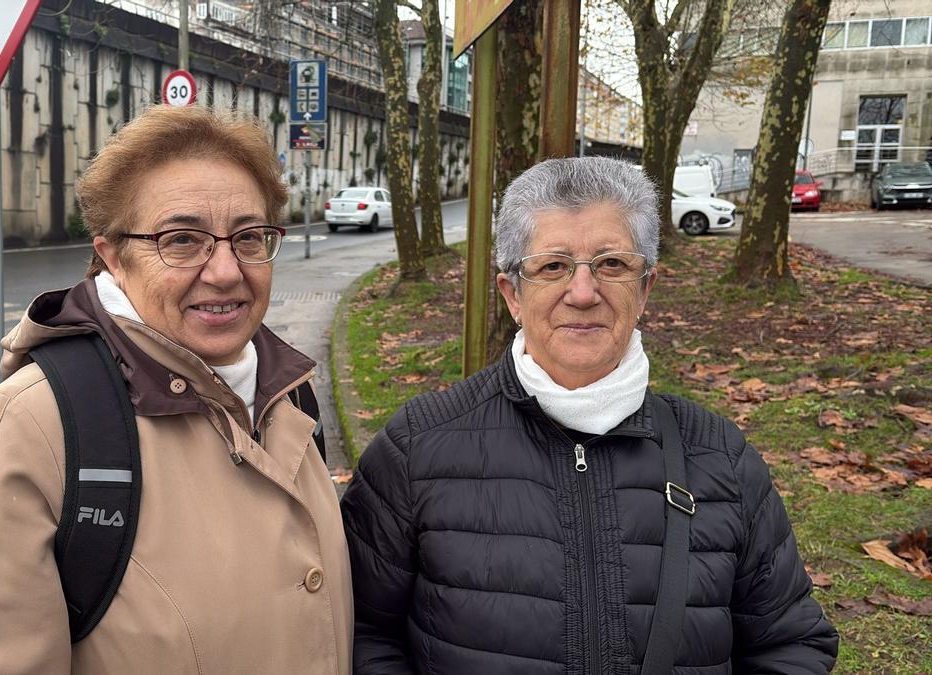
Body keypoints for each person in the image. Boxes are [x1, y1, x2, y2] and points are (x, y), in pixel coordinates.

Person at [0, 105, 351, 673]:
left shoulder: (288, 395)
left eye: (249, 237)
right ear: (112, 257)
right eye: (182, 240)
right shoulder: (25, 432)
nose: (227, 271)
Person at [340, 157, 838, 673]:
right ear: (512, 293)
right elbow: (361, 633)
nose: (582, 293)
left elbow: (792, 643)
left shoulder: (722, 459)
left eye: (612, 265)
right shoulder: (416, 448)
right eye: (552, 266)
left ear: (644, 288)